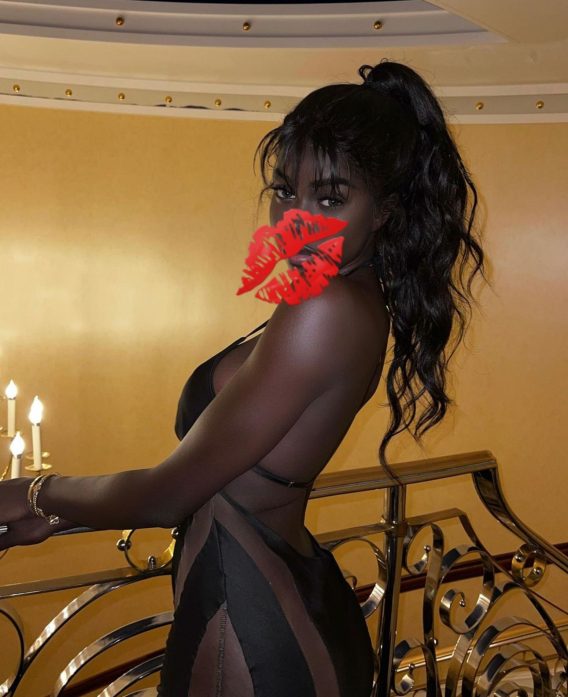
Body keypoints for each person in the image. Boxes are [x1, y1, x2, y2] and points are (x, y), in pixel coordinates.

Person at [0, 59, 486, 696]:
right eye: (285, 191)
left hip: (249, 625)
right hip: (266, 599)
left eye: (330, 199)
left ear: (385, 211)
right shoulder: (341, 295)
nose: (295, 221)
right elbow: (217, 481)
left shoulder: (326, 308)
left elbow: (170, 493)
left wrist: (35, 493)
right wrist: (57, 517)